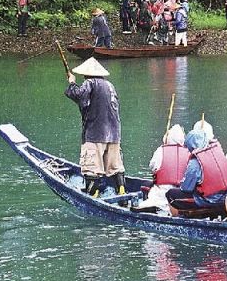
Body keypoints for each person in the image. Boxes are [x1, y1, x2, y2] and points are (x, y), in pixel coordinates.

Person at [64, 57, 125, 199]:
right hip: (114, 132)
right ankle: (121, 190)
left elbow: (78, 96)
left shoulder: (89, 82)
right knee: (115, 165)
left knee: (92, 166)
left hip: (96, 131)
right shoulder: (110, 85)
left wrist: (72, 83)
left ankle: (93, 192)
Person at [165, 129, 227, 215]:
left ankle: (175, 218)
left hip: (208, 200)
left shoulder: (195, 162)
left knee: (170, 194)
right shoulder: (219, 153)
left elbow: (186, 189)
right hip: (226, 198)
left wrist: (181, 183)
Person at [135, 124, 188, 214]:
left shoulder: (161, 150)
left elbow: (152, 166)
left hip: (161, 192)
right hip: (181, 193)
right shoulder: (188, 151)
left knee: (147, 186)